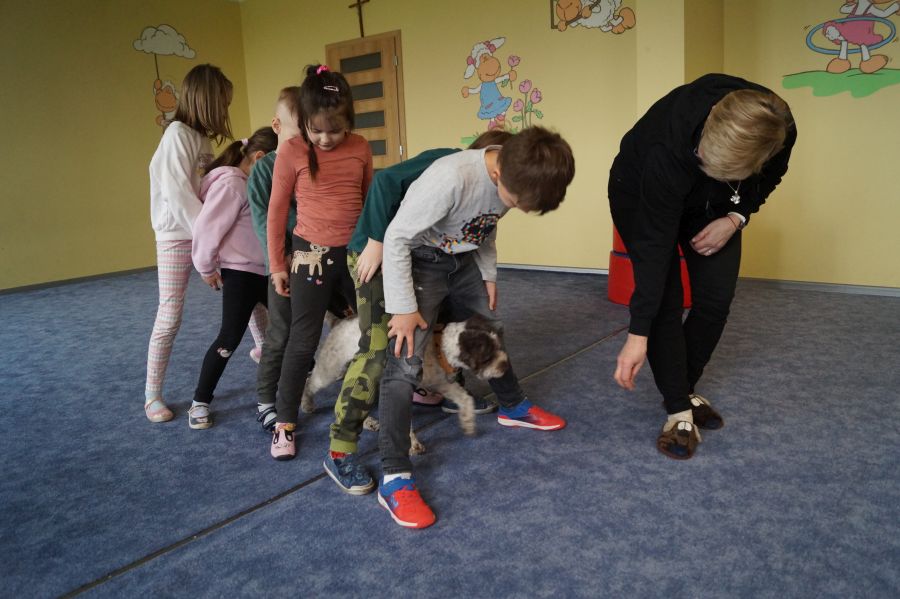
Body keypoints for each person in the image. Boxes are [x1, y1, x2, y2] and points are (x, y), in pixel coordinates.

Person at [376, 126, 576, 528]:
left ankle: (513, 405)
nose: (516, 209)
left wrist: (488, 274)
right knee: (404, 361)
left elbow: (485, 225)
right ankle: (394, 475)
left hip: (463, 262)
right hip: (420, 261)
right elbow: (396, 237)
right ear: (498, 172)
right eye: (515, 202)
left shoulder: (514, 175)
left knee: (491, 328)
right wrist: (403, 308)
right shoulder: (452, 178)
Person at [607, 73, 796, 460]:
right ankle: (678, 408)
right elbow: (655, 255)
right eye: (706, 158)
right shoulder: (666, 146)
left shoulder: (779, 129)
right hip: (641, 191)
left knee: (715, 298)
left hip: (718, 202)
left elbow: (773, 176)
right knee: (666, 299)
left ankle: (681, 387)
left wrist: (736, 218)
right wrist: (637, 333)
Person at [322, 129, 513, 495]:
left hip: (418, 257)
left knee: (441, 320)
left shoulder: (486, 192)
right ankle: (340, 448)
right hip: (375, 253)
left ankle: (436, 390)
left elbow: (481, 230)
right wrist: (376, 239)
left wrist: (487, 274)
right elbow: (384, 183)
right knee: (380, 348)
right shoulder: (447, 165)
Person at [266, 64, 371, 460]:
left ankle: (368, 400)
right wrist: (277, 265)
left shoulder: (360, 147)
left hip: (355, 253)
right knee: (303, 338)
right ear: (304, 122)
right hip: (311, 254)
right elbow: (277, 211)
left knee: (371, 329)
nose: (326, 138)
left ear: (349, 122)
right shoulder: (292, 151)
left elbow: (369, 201)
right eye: (316, 130)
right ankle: (284, 422)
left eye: (335, 130)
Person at [249, 87, 354, 433]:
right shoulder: (264, 170)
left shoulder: (316, 158)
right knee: (281, 333)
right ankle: (267, 398)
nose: (311, 141)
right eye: (302, 133)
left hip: (323, 259)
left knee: (334, 324)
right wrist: (279, 262)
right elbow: (266, 220)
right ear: (277, 127)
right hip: (285, 264)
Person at [144, 64, 236, 423]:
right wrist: (207, 249)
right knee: (169, 315)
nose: (225, 110)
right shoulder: (176, 135)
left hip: (204, 233)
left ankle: (264, 350)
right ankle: (152, 394)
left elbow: (207, 190)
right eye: (223, 103)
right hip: (177, 236)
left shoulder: (200, 140)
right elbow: (179, 195)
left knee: (245, 286)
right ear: (207, 101)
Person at [188, 127, 278, 429]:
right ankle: (200, 401)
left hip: (267, 270)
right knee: (229, 338)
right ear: (260, 158)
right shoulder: (231, 184)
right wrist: (206, 268)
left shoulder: (250, 183)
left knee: (289, 325)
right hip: (240, 273)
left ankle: (305, 373)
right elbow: (207, 230)